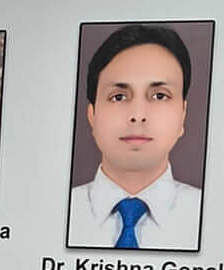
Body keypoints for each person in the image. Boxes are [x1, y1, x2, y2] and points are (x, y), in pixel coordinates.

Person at [66, 24, 203, 250]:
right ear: (92, 115)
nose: (137, 115)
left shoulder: (213, 215)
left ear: (182, 115)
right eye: (119, 97)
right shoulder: (51, 210)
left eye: (159, 96)